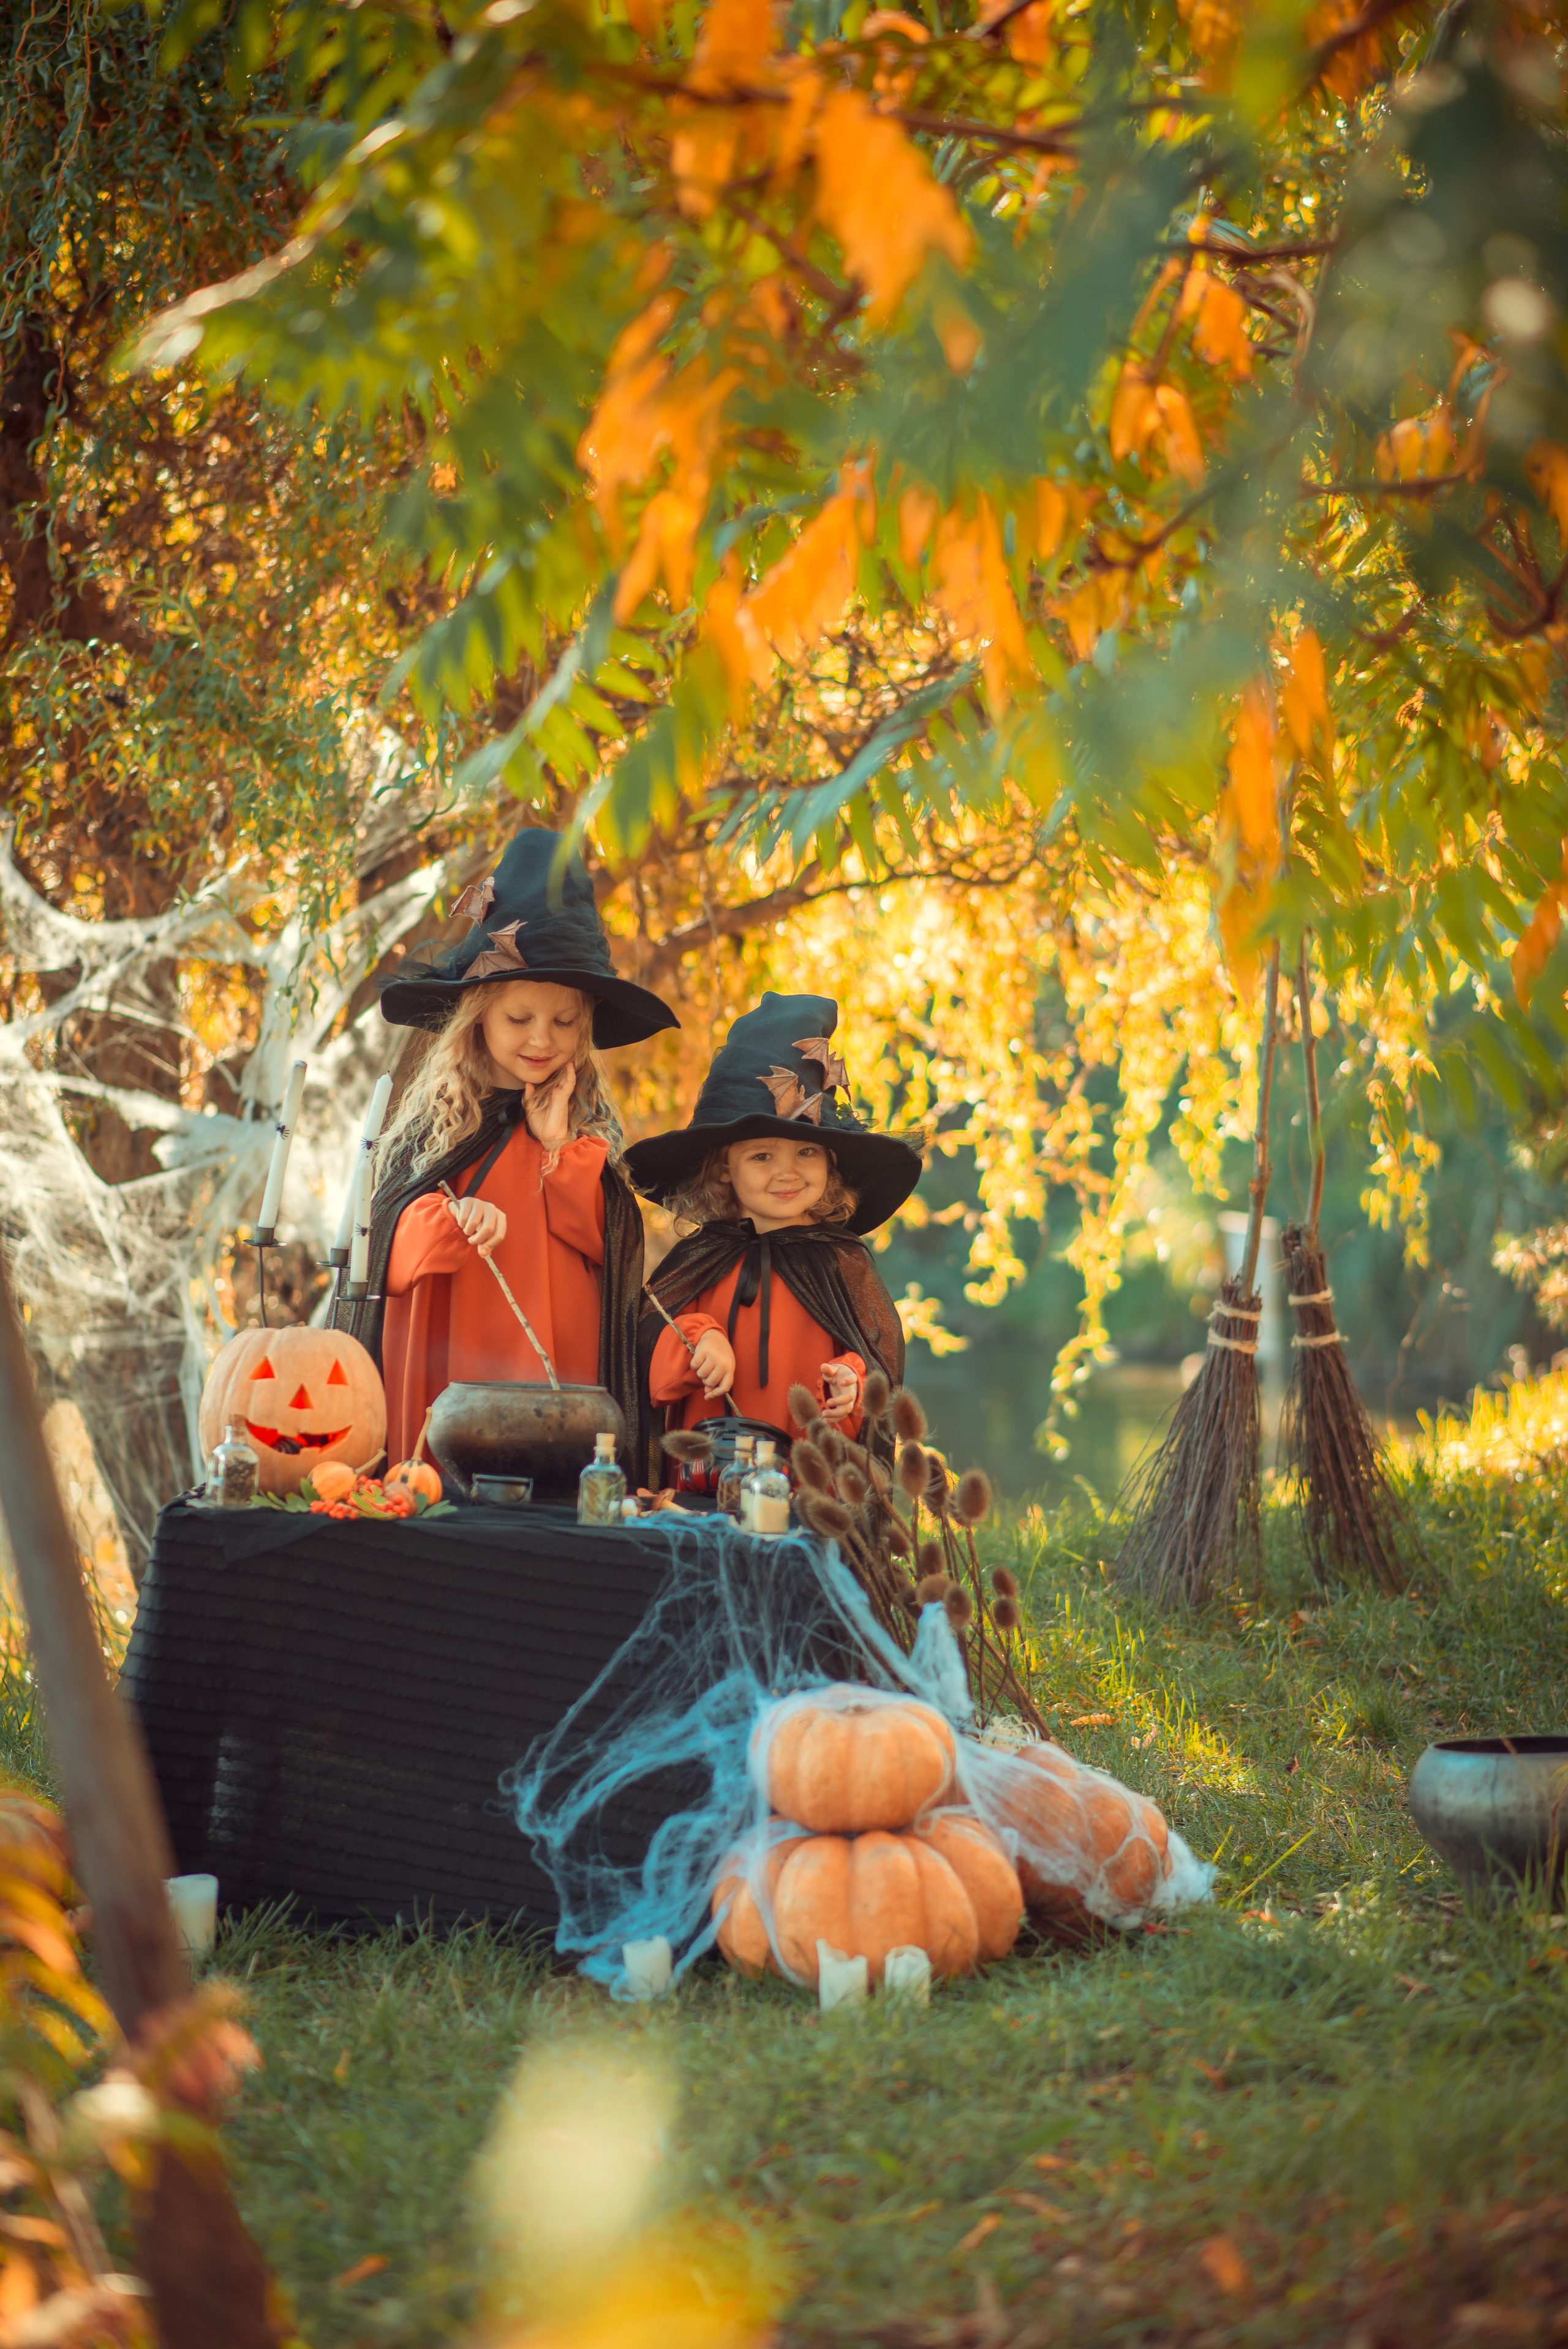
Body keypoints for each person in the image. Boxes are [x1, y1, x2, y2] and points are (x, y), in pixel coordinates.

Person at [338, 830, 678, 1468]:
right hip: (447, 1368)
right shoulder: (429, 1134)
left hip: (560, 1382)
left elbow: (613, 1251)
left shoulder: (586, 1134)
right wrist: (440, 1225)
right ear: (479, 1018)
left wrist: (559, 1152)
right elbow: (377, 1248)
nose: (542, 1040)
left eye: (564, 1021)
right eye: (520, 1019)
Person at [625, 993, 922, 1481]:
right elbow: (647, 1343)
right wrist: (700, 1339)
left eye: (807, 1151)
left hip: (804, 1484)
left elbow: (874, 1357)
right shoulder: (700, 1258)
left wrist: (851, 1381)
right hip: (703, 1477)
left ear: (831, 1162)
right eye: (763, 1156)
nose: (787, 1173)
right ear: (725, 1166)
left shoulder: (842, 1262)